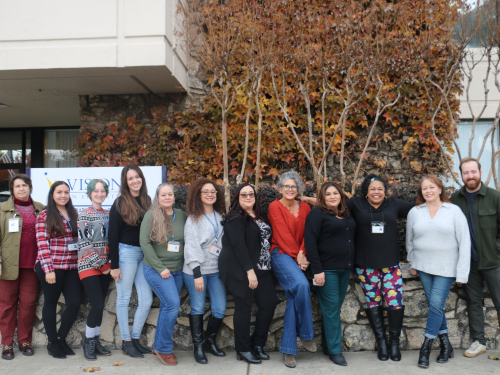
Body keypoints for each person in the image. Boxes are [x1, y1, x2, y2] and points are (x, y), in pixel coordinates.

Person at [347, 174, 413, 362]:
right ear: (366, 191)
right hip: (365, 266)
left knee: (394, 302)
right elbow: (331, 204)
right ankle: (382, 343)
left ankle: (394, 344)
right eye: (373, 188)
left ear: (386, 191)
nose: (377, 192)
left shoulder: (394, 204)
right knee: (373, 302)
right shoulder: (356, 204)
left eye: (380, 189)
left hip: (390, 265)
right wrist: (306, 199)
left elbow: (420, 209)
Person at [407, 175, 470, 368]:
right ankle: (445, 345)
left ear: (440, 189)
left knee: (435, 305)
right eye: (424, 188)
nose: (428, 191)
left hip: (446, 267)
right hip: (423, 266)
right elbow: (409, 240)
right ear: (421, 192)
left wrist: (462, 273)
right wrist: (412, 261)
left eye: (432, 187)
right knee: (436, 306)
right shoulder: (415, 212)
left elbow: (465, 242)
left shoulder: (453, 211)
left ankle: (426, 347)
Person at [219, 183, 278, 365]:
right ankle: (243, 349)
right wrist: (249, 272)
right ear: (237, 198)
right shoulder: (235, 218)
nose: (247, 197)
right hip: (242, 269)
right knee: (243, 307)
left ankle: (257, 345)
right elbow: (239, 246)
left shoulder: (259, 216)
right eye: (243, 195)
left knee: (269, 303)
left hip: (263, 268)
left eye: (251, 194)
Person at [451, 157, 500, 358]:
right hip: (468, 263)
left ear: (480, 172)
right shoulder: (455, 199)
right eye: (465, 173)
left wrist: (496, 249)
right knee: (474, 302)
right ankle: (479, 341)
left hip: (493, 262)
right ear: (461, 175)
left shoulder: (494, 197)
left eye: (473, 171)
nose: (470, 176)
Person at [304, 182, 355, 367]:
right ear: (322, 197)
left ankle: (327, 346)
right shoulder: (317, 214)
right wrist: (317, 270)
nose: (333, 196)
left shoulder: (346, 213)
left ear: (341, 195)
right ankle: (335, 351)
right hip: (326, 270)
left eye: (336, 193)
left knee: (332, 309)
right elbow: (310, 241)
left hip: (344, 268)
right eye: (328, 194)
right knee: (332, 310)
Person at [268, 171, 314, 369]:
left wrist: (303, 252)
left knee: (294, 295)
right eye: (286, 186)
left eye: (293, 186)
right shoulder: (274, 207)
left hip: (299, 255)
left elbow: (309, 234)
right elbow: (283, 235)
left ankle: (288, 351)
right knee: (302, 284)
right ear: (280, 189)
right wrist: (299, 258)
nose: (289, 189)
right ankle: (306, 334)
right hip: (280, 254)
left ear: (299, 190)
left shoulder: (305, 207)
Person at [140, 183, 187, 366]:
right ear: (157, 198)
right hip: (156, 269)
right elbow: (144, 243)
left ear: (174, 197)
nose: (167, 198)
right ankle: (164, 349)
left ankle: (157, 347)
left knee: (168, 306)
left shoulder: (181, 215)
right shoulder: (151, 215)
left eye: (170, 194)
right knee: (173, 304)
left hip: (178, 270)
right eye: (163, 195)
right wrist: (160, 268)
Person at [109, 165, 153, 358]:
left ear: (141, 179)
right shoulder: (119, 203)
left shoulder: (147, 201)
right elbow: (112, 235)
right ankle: (126, 341)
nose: (135, 181)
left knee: (147, 299)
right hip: (125, 254)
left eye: (137, 177)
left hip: (144, 255)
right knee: (124, 298)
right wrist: (114, 266)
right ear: (125, 183)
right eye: (130, 178)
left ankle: (135, 338)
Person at [35, 181, 82, 359]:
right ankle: (53, 342)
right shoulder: (45, 215)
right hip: (52, 265)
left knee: (75, 302)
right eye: (59, 192)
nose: (63, 195)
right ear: (52, 194)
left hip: (71, 266)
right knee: (51, 302)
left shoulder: (73, 212)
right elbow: (42, 244)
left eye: (66, 192)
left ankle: (61, 338)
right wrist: (48, 269)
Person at [0, 174, 44, 360]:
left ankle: (25, 341)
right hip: (9, 265)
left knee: (28, 304)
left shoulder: (41, 209)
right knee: (7, 305)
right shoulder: (2, 210)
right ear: (12, 189)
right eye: (17, 186)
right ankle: (7, 343)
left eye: (24, 185)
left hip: (32, 265)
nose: (21, 189)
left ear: (30, 188)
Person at [183, 178, 227, 365]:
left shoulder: (221, 216)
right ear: (198, 196)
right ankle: (198, 346)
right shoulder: (193, 219)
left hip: (216, 270)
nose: (210, 194)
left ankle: (209, 341)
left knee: (220, 308)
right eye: (206, 191)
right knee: (198, 308)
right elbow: (191, 247)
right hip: (196, 270)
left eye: (213, 191)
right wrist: (197, 273)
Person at [77, 179, 112, 361]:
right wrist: (102, 265)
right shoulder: (84, 214)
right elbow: (84, 244)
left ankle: (96, 340)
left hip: (106, 266)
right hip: (89, 265)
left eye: (103, 190)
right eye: (96, 191)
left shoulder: (108, 213)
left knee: (101, 307)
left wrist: (110, 264)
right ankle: (88, 342)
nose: (99, 194)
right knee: (97, 305)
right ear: (90, 193)